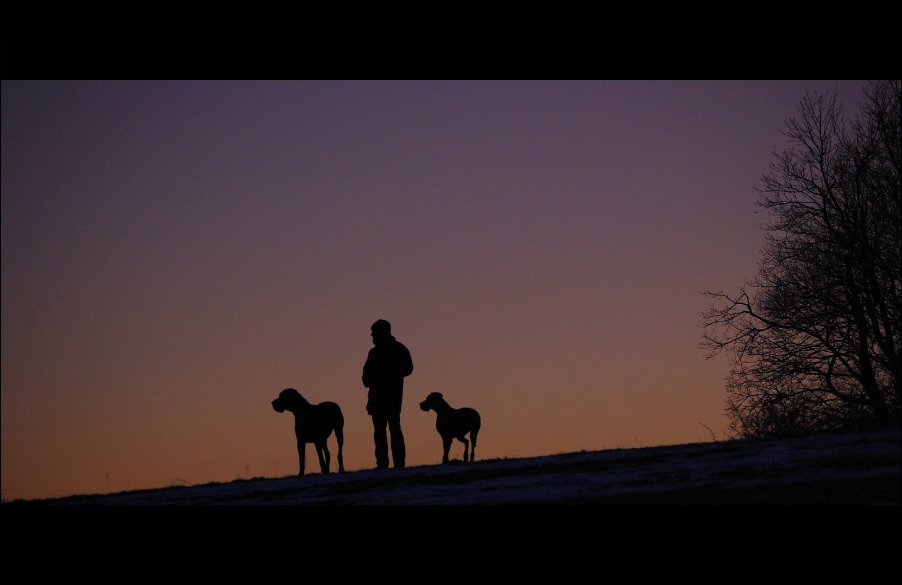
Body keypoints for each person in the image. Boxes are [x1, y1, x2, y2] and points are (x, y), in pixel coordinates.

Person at [362, 319, 413, 469]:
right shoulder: (374, 352)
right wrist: (369, 380)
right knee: (380, 431)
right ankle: (382, 464)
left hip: (391, 397)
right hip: (377, 398)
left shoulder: (398, 349)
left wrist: (389, 376)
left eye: (374, 332)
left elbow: (408, 368)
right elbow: (366, 374)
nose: (372, 335)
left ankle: (398, 464)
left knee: (394, 429)